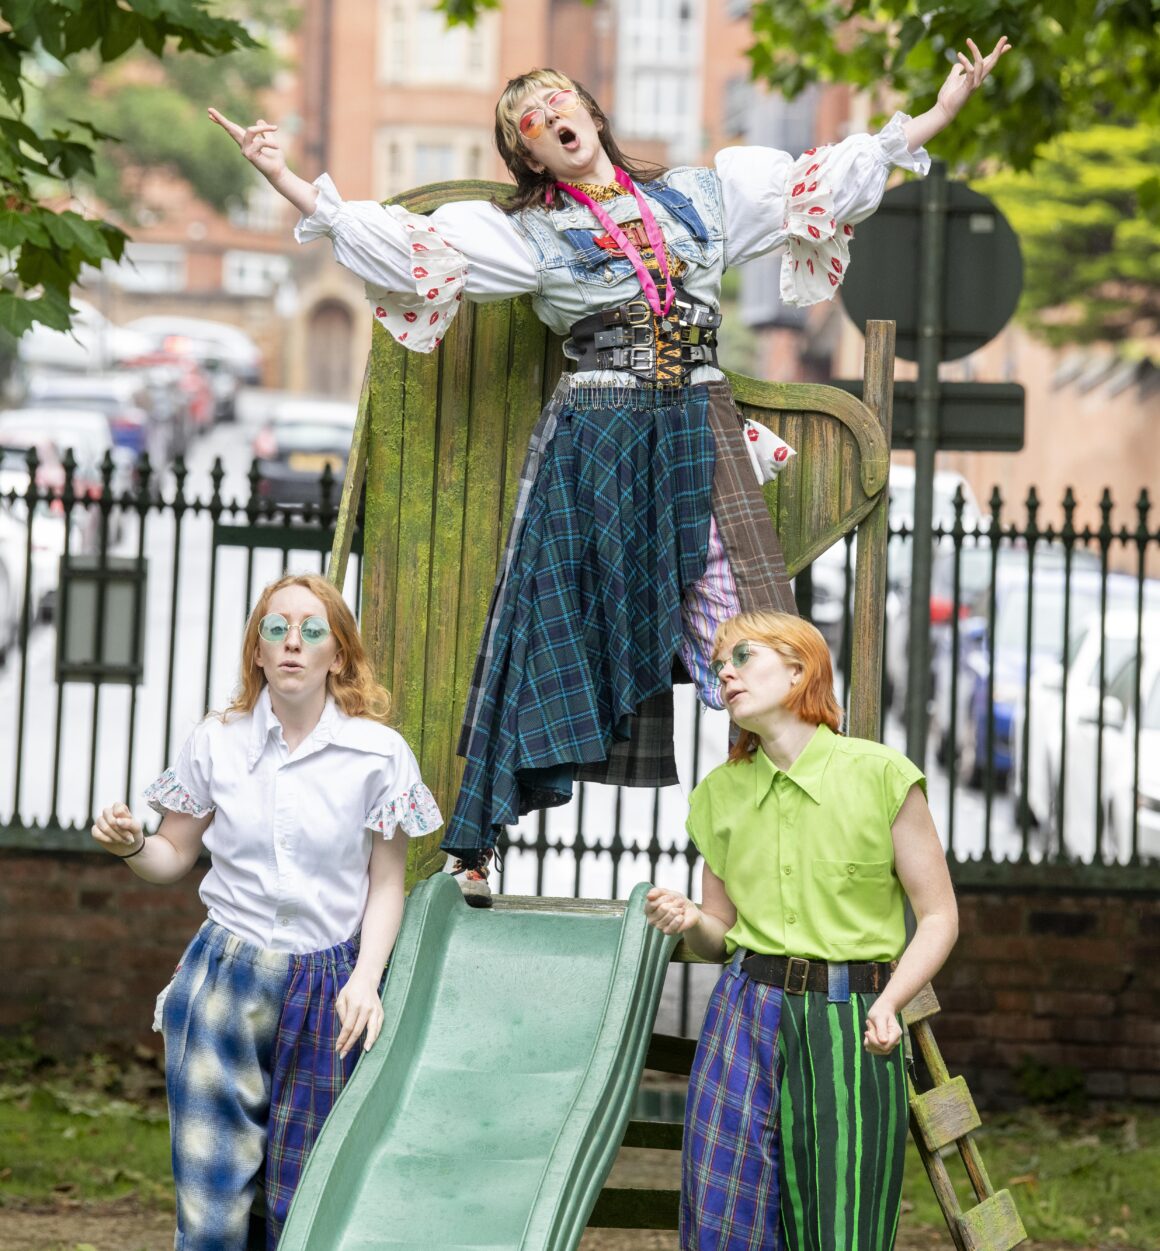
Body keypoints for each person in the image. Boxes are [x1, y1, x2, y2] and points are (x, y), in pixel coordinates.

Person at [208, 35, 1008, 907]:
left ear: (593, 114)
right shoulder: (528, 233)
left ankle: (825, 823)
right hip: (599, 433)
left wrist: (935, 114)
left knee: (759, 632)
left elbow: (821, 184)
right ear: (527, 154)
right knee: (549, 618)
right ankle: (476, 843)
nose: (552, 118)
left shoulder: (701, 194)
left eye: (560, 102)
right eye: (529, 120)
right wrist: (290, 180)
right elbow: (402, 247)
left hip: (700, 421)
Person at [91, 573, 441, 1251]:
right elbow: (172, 853)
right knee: (213, 1199)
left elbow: (387, 884)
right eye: (275, 628)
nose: (291, 643)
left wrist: (365, 980)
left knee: (304, 1198)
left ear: (337, 655)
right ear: (256, 650)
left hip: (329, 986)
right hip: (225, 975)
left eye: (313, 631)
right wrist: (134, 843)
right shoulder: (216, 742)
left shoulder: (379, 756)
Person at [643, 610, 959, 1251]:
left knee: (842, 1224)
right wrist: (690, 920)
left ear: (799, 667)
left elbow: (939, 916)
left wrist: (892, 1000)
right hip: (743, 1016)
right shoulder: (720, 795)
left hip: (851, 1020)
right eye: (718, 665)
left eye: (742, 657)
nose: (723, 674)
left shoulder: (880, 776)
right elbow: (720, 935)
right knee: (723, 1217)